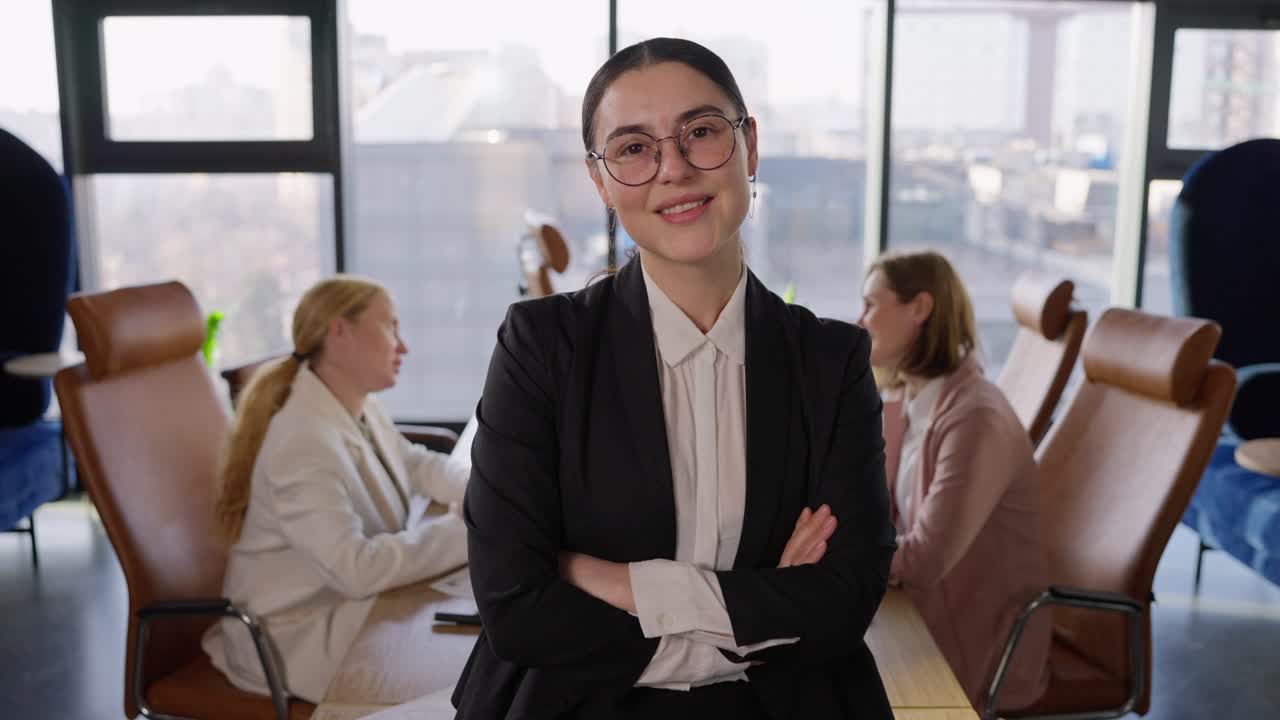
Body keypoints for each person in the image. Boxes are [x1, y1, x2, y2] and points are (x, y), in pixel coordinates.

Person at [452, 38, 897, 719]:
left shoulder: (831, 362)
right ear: (599, 179)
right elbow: (517, 610)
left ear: (750, 144)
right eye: (633, 148)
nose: (675, 169)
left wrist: (603, 578)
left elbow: (843, 603)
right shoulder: (541, 347)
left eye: (701, 132)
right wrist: (757, 609)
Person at [203, 275, 469, 703]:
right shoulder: (302, 441)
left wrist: (485, 491)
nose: (403, 346)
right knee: (450, 675)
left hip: (343, 610)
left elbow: (415, 463)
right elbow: (355, 569)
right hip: (294, 637)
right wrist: (466, 531)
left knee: (461, 657)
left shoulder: (354, 404)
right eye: (390, 327)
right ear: (339, 331)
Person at [857, 250, 1049, 714]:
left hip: (972, 640)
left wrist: (830, 560)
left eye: (871, 303)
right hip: (927, 615)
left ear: (920, 309)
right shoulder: (910, 400)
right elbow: (877, 509)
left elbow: (922, 560)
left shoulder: (974, 420)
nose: (860, 319)